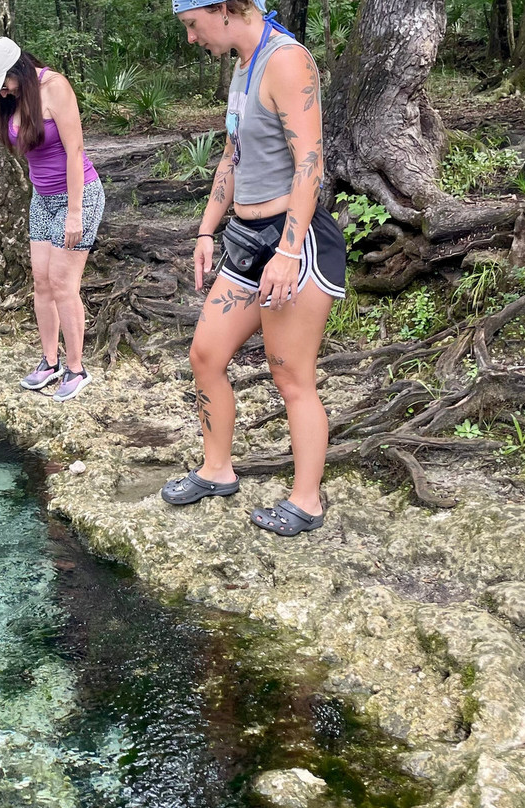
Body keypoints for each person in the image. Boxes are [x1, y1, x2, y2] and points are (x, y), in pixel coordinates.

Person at [160, 0, 346, 536]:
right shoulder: (243, 64)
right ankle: (216, 469)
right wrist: (205, 229)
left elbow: (311, 160)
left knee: (291, 375)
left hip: (295, 240)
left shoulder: (286, 61)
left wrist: (288, 252)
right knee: (205, 354)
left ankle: (307, 500)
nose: (193, 39)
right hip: (245, 239)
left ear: (223, 9)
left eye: (193, 25)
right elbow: (231, 155)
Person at [0, 37, 106, 402]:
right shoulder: (15, 100)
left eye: (4, 83)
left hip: (77, 197)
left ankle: (77, 369)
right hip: (42, 199)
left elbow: (75, 150)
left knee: (64, 284)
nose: (1, 92)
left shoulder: (55, 87)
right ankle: (50, 362)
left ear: (18, 69)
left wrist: (75, 212)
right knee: (42, 283)